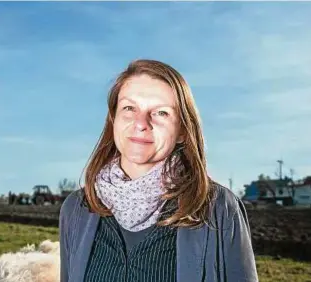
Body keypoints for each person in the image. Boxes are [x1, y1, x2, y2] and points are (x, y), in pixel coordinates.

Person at [59, 59, 258, 282]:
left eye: (161, 113)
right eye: (129, 108)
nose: (141, 123)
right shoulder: (76, 210)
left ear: (183, 130)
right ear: (113, 119)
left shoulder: (218, 208)